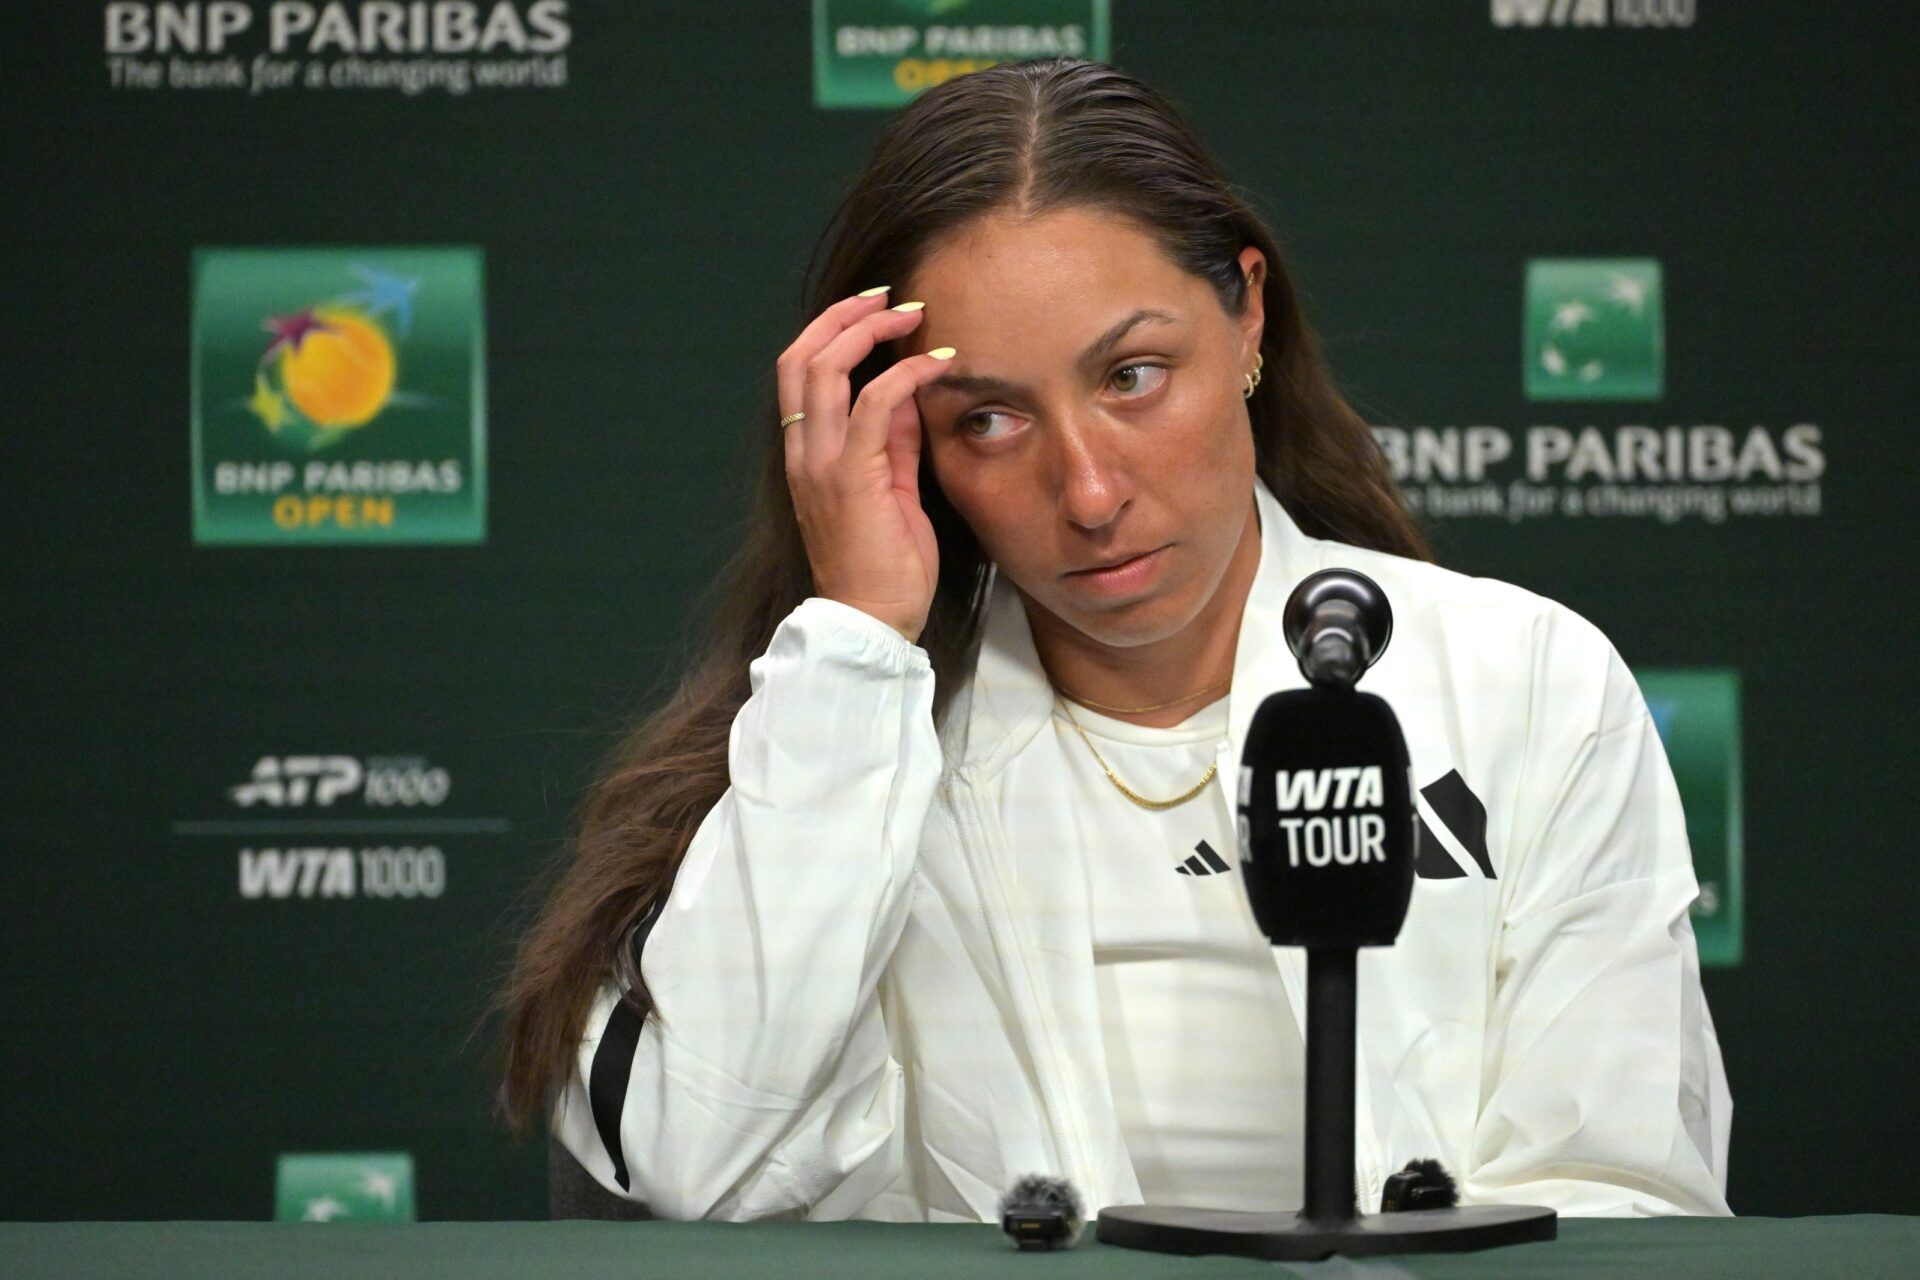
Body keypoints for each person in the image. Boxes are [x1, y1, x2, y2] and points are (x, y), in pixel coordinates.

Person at [489, 56, 1731, 1223]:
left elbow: (1621, 1196)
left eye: (1133, 375)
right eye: (989, 418)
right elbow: (698, 1169)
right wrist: (857, 642)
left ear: (1247, 318)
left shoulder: (1530, 684)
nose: (1088, 490)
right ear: (901, 437)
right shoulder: (846, 731)